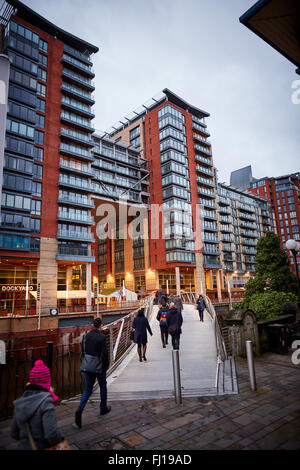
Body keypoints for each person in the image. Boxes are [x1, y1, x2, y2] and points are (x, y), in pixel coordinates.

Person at [11, 360, 62, 450]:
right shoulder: (46, 403)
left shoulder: (20, 401)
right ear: (47, 381)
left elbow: (14, 433)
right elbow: (51, 435)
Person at [75, 317, 110, 429]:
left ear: (92, 325)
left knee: (87, 390)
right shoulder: (102, 337)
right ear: (101, 325)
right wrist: (106, 365)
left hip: (88, 366)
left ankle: (79, 411)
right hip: (99, 367)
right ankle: (103, 408)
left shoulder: (86, 336)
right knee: (103, 385)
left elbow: (83, 351)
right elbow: (104, 354)